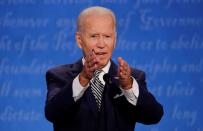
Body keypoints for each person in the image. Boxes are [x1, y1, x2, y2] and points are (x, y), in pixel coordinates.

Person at [45, 6, 164, 131]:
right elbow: (52, 113)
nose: (101, 44)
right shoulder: (59, 75)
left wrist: (128, 87)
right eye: (94, 36)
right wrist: (83, 79)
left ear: (115, 39)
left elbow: (153, 116)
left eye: (107, 36)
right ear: (79, 40)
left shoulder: (133, 78)